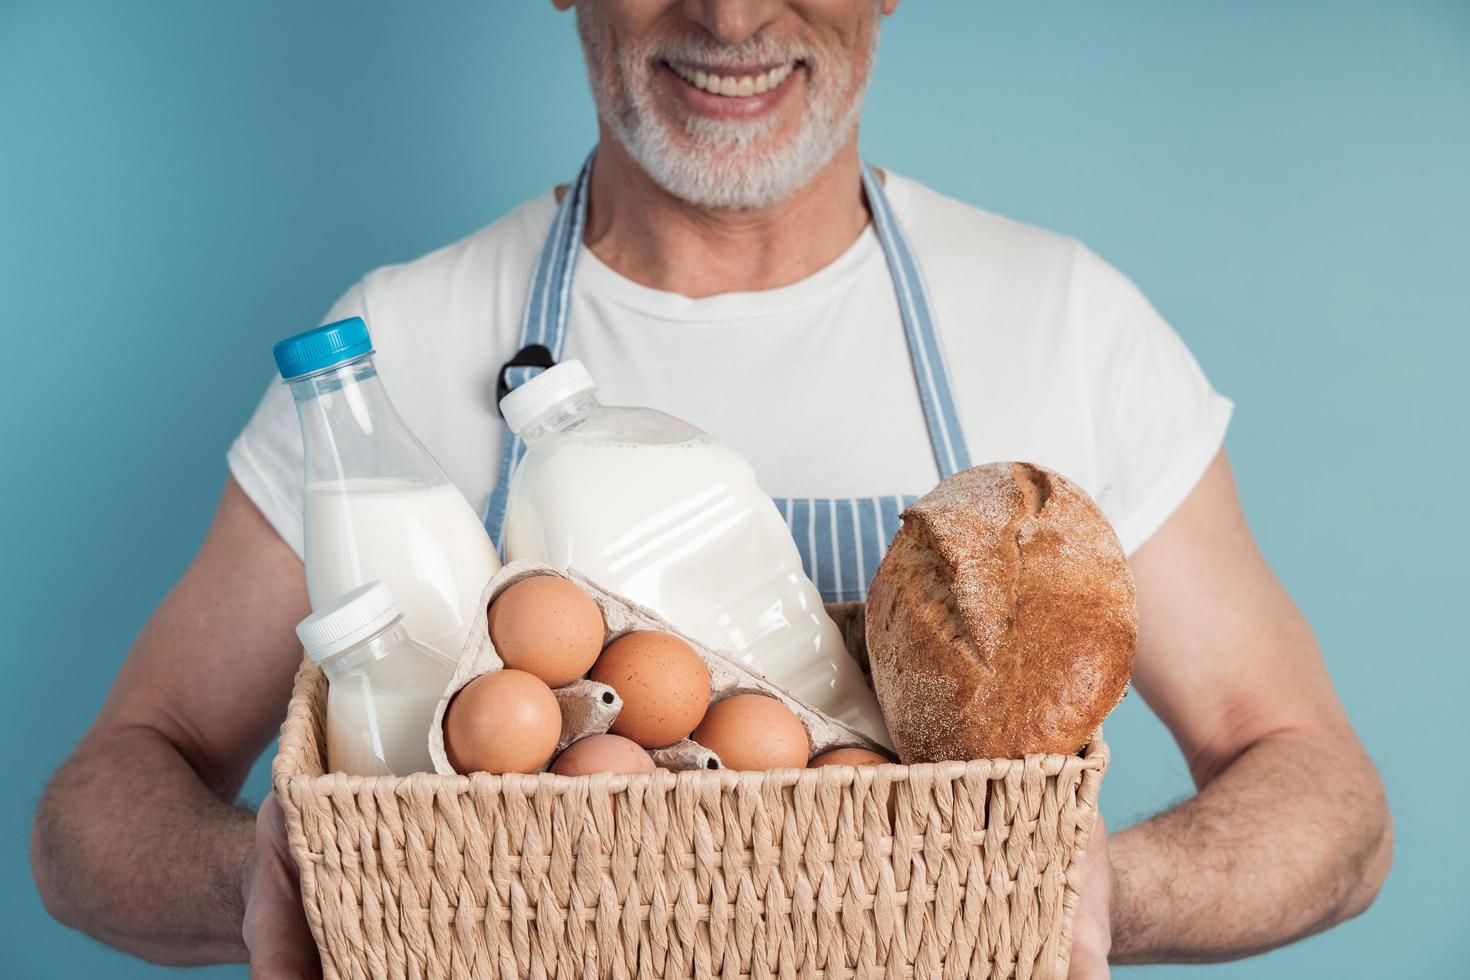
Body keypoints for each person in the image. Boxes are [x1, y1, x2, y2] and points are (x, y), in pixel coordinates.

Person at [31, 2, 1392, 977]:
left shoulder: (1060, 323)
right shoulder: (390, 356)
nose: (731, 18)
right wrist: (271, 873)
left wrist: (1102, 886)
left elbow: (1328, 802)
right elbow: (93, 812)